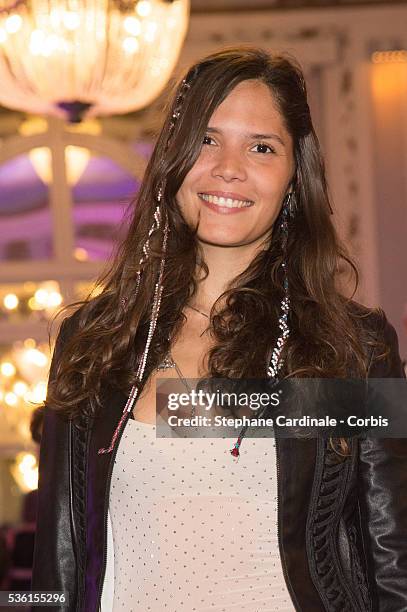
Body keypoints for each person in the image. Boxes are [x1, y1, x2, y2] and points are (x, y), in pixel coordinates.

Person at [31, 46, 407, 611]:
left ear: (292, 174)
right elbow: (56, 565)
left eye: (261, 147)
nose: (228, 167)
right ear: (173, 160)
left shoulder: (352, 348)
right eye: (207, 140)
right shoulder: (94, 341)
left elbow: (393, 560)